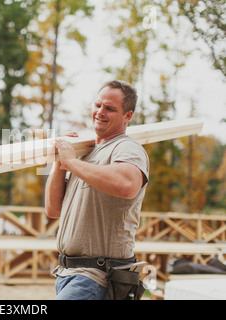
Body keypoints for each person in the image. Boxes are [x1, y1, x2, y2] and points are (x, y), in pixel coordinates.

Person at [45, 79, 150, 300]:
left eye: (110, 108)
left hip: (96, 275)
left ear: (127, 116)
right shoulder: (86, 154)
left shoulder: (126, 147)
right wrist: (60, 163)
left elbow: (127, 185)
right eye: (98, 105)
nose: (100, 112)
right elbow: (54, 209)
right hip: (66, 273)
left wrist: (72, 162)